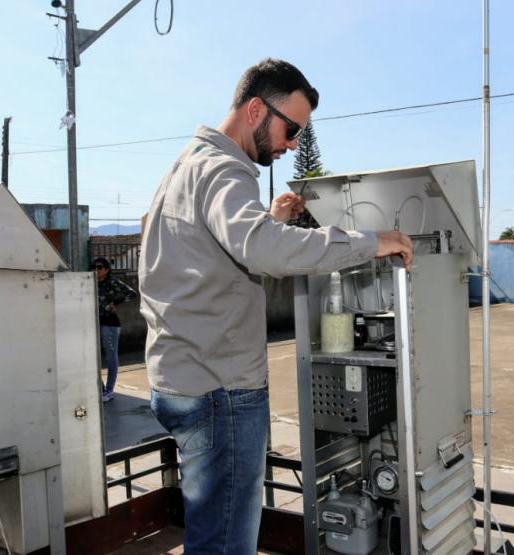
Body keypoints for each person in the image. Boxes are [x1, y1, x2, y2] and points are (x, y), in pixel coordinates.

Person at [138, 58, 413, 554]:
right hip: (218, 390)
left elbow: (213, 256)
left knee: (209, 530)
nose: (291, 145)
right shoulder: (225, 168)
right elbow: (261, 250)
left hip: (180, 381)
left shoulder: (187, 165)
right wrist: (372, 242)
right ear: (256, 109)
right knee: (225, 543)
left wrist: (268, 219)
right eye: (290, 129)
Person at [93, 257, 137, 402]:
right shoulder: (89, 282)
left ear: (106, 270)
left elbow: (132, 293)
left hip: (109, 324)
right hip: (93, 323)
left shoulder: (112, 282)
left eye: (100, 267)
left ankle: (109, 390)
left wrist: (115, 302)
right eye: (94, 267)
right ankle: (100, 389)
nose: (97, 270)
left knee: (110, 357)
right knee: (93, 358)